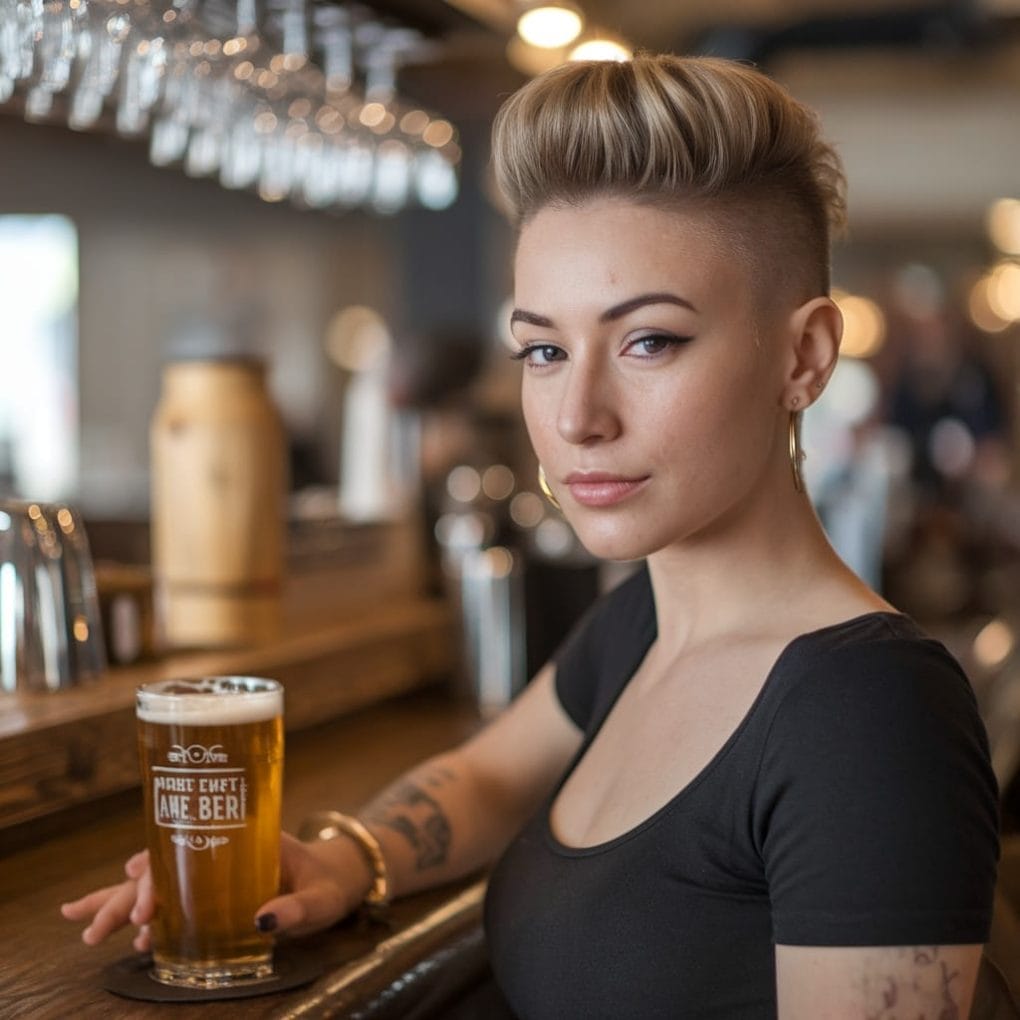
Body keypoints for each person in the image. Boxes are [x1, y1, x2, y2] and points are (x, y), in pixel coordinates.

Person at [62, 54, 1000, 1018]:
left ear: (803, 357)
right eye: (545, 350)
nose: (578, 415)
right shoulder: (646, 622)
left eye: (650, 341)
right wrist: (345, 859)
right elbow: (489, 777)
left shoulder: (869, 718)